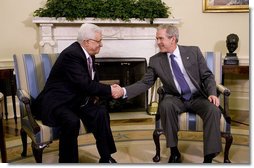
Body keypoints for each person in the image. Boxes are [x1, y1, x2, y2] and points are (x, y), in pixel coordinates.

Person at [118, 24, 222, 163]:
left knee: (213, 110)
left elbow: (207, 76)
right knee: (165, 106)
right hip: (175, 98)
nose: (158, 42)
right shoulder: (155, 60)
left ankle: (208, 157)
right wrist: (123, 91)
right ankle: (174, 151)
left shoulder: (193, 52)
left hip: (197, 96)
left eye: (161, 38)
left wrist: (212, 93)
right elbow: (145, 83)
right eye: (157, 38)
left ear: (172, 39)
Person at [32, 23, 123, 163]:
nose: (102, 44)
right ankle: (68, 162)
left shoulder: (89, 53)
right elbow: (85, 84)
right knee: (71, 121)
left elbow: (90, 81)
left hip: (77, 100)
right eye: (99, 41)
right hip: (58, 102)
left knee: (101, 112)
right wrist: (110, 90)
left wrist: (105, 92)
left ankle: (106, 157)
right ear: (87, 42)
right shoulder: (72, 55)